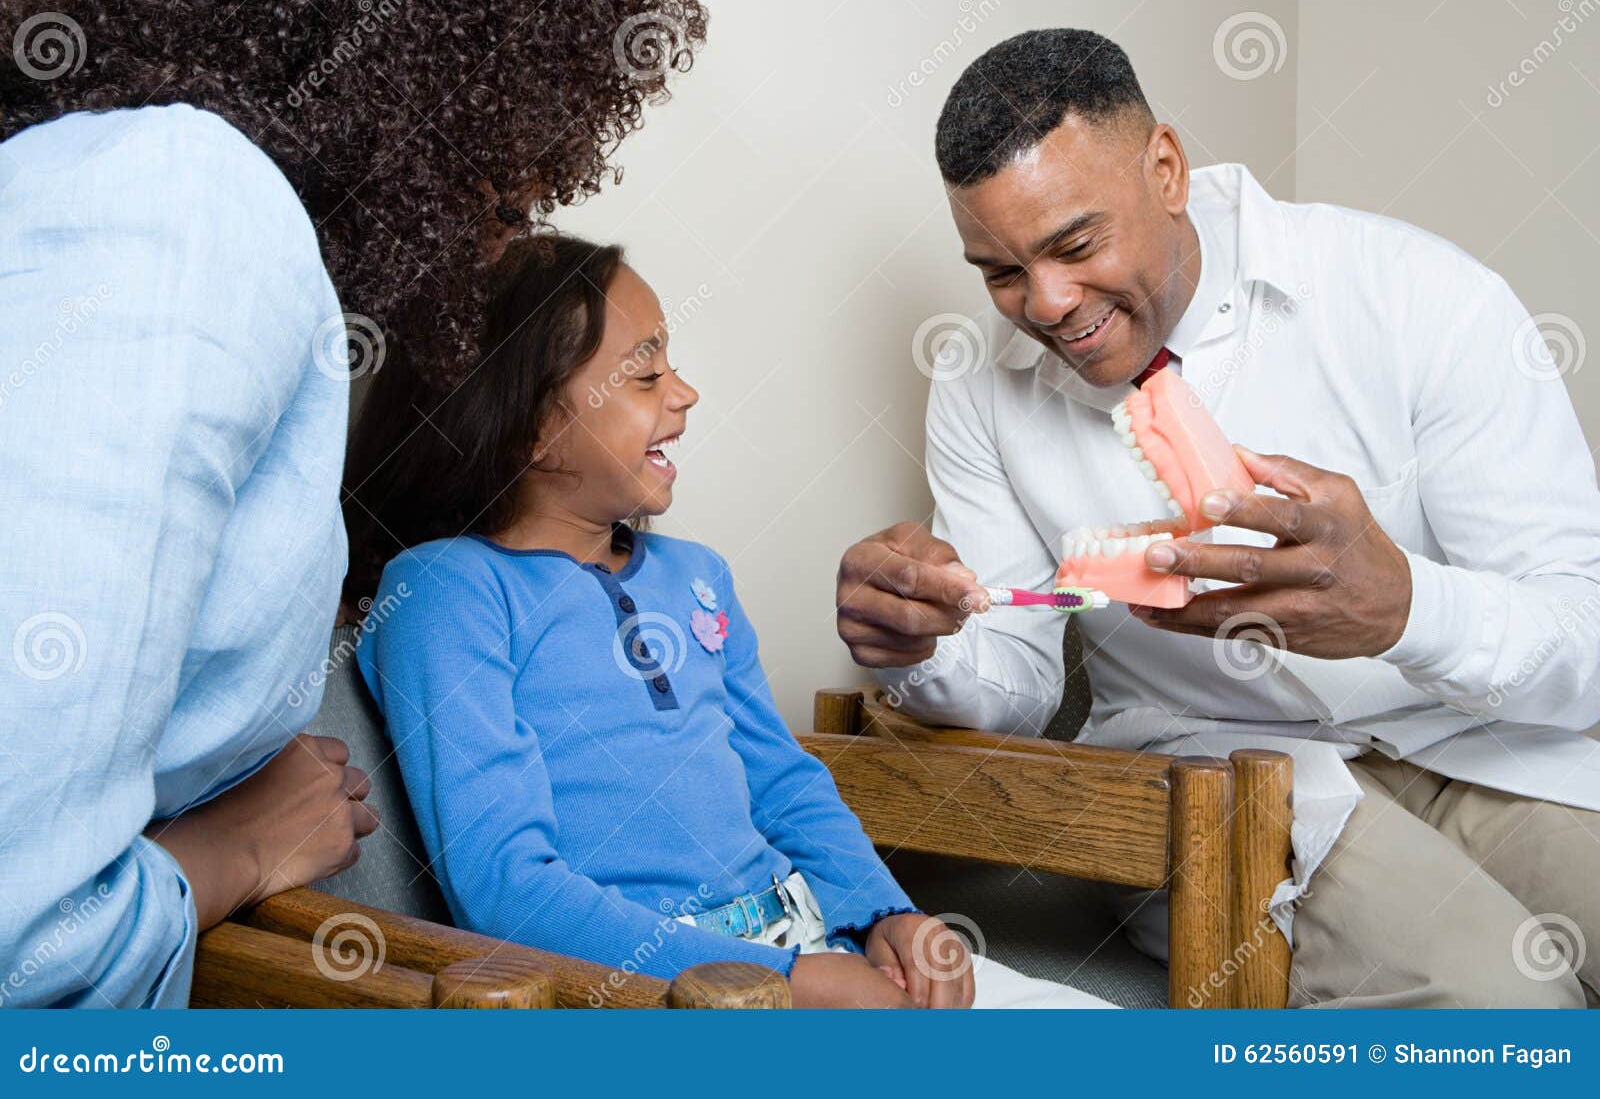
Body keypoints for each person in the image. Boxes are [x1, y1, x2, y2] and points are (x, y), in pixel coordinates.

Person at [0, 0, 716, 1008]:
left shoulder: (123, 192)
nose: (500, 249)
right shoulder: (185, 202)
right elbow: (26, 942)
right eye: (504, 201)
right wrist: (239, 845)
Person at [835, 28, 1600, 1008]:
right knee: (1509, 1002)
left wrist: (1402, 608)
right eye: (1000, 271)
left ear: (1165, 169)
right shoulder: (977, 384)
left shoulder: (1420, 296)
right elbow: (1017, 684)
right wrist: (919, 647)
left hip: (1466, 736)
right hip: (1215, 776)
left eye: (1076, 244)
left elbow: (1583, 636)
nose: (1048, 304)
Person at [347, 235, 1114, 1008]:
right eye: (646, 374)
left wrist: (888, 913)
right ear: (532, 428)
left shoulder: (697, 576)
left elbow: (781, 781)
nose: (684, 393)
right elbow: (507, 892)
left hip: (811, 942)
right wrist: (788, 982)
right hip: (654, 993)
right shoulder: (446, 594)